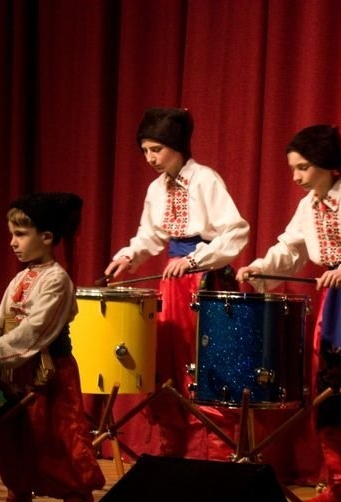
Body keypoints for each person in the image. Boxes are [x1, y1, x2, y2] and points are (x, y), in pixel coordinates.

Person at [237, 124, 341, 502]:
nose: (296, 176)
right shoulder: (308, 205)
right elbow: (290, 249)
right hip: (334, 300)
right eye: (293, 168)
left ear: (326, 163)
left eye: (303, 167)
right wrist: (261, 268)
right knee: (329, 389)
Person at [104, 107, 249, 459]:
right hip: (174, 282)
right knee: (168, 363)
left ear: (177, 146)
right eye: (145, 151)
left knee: (204, 363)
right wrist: (129, 256)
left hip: (206, 279)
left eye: (157, 149)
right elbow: (150, 235)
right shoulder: (157, 188)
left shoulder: (205, 180)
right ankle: (173, 453)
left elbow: (235, 232)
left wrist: (195, 260)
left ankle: (213, 457)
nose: (150, 158)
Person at [0, 192, 105, 502]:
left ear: (47, 237)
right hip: (19, 373)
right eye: (12, 234)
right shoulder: (22, 278)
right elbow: (0, 317)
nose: (13, 242)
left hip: (50, 374)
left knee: (58, 439)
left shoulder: (57, 280)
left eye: (21, 234)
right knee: (16, 438)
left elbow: (37, 329)